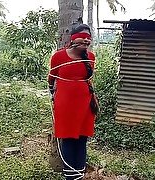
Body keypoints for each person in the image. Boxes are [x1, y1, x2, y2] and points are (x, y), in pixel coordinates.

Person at [48, 24, 99, 180]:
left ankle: (79, 175)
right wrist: (54, 95)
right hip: (65, 105)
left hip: (85, 104)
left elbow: (89, 81)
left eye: (88, 37)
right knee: (68, 139)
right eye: (82, 36)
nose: (85, 40)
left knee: (82, 139)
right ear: (72, 39)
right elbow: (51, 80)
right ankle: (70, 176)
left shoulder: (91, 57)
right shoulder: (59, 57)